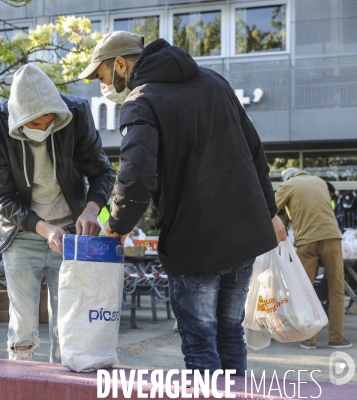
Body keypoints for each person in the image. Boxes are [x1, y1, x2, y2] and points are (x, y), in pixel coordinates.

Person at [80, 32, 286, 373]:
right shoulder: (214, 81)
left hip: (195, 241)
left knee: (201, 340)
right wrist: (269, 212)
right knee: (230, 333)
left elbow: (136, 176)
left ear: (120, 64)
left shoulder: (140, 101)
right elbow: (254, 150)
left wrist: (117, 226)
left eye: (102, 77)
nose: (103, 86)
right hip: (245, 232)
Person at [0, 64, 115, 362]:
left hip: (70, 233)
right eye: (36, 125)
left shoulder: (76, 113)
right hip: (21, 233)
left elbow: (103, 173)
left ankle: (62, 386)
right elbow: (1, 196)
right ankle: (20, 384)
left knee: (67, 324)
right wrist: (42, 227)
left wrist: (92, 210)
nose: (44, 129)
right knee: (23, 327)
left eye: (50, 122)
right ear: (20, 121)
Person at [276, 168, 351, 349]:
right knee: (336, 289)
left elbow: (270, 209)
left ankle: (309, 340)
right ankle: (336, 339)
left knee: (306, 291)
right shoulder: (320, 182)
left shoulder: (288, 185)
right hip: (332, 238)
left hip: (307, 242)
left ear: (287, 177)